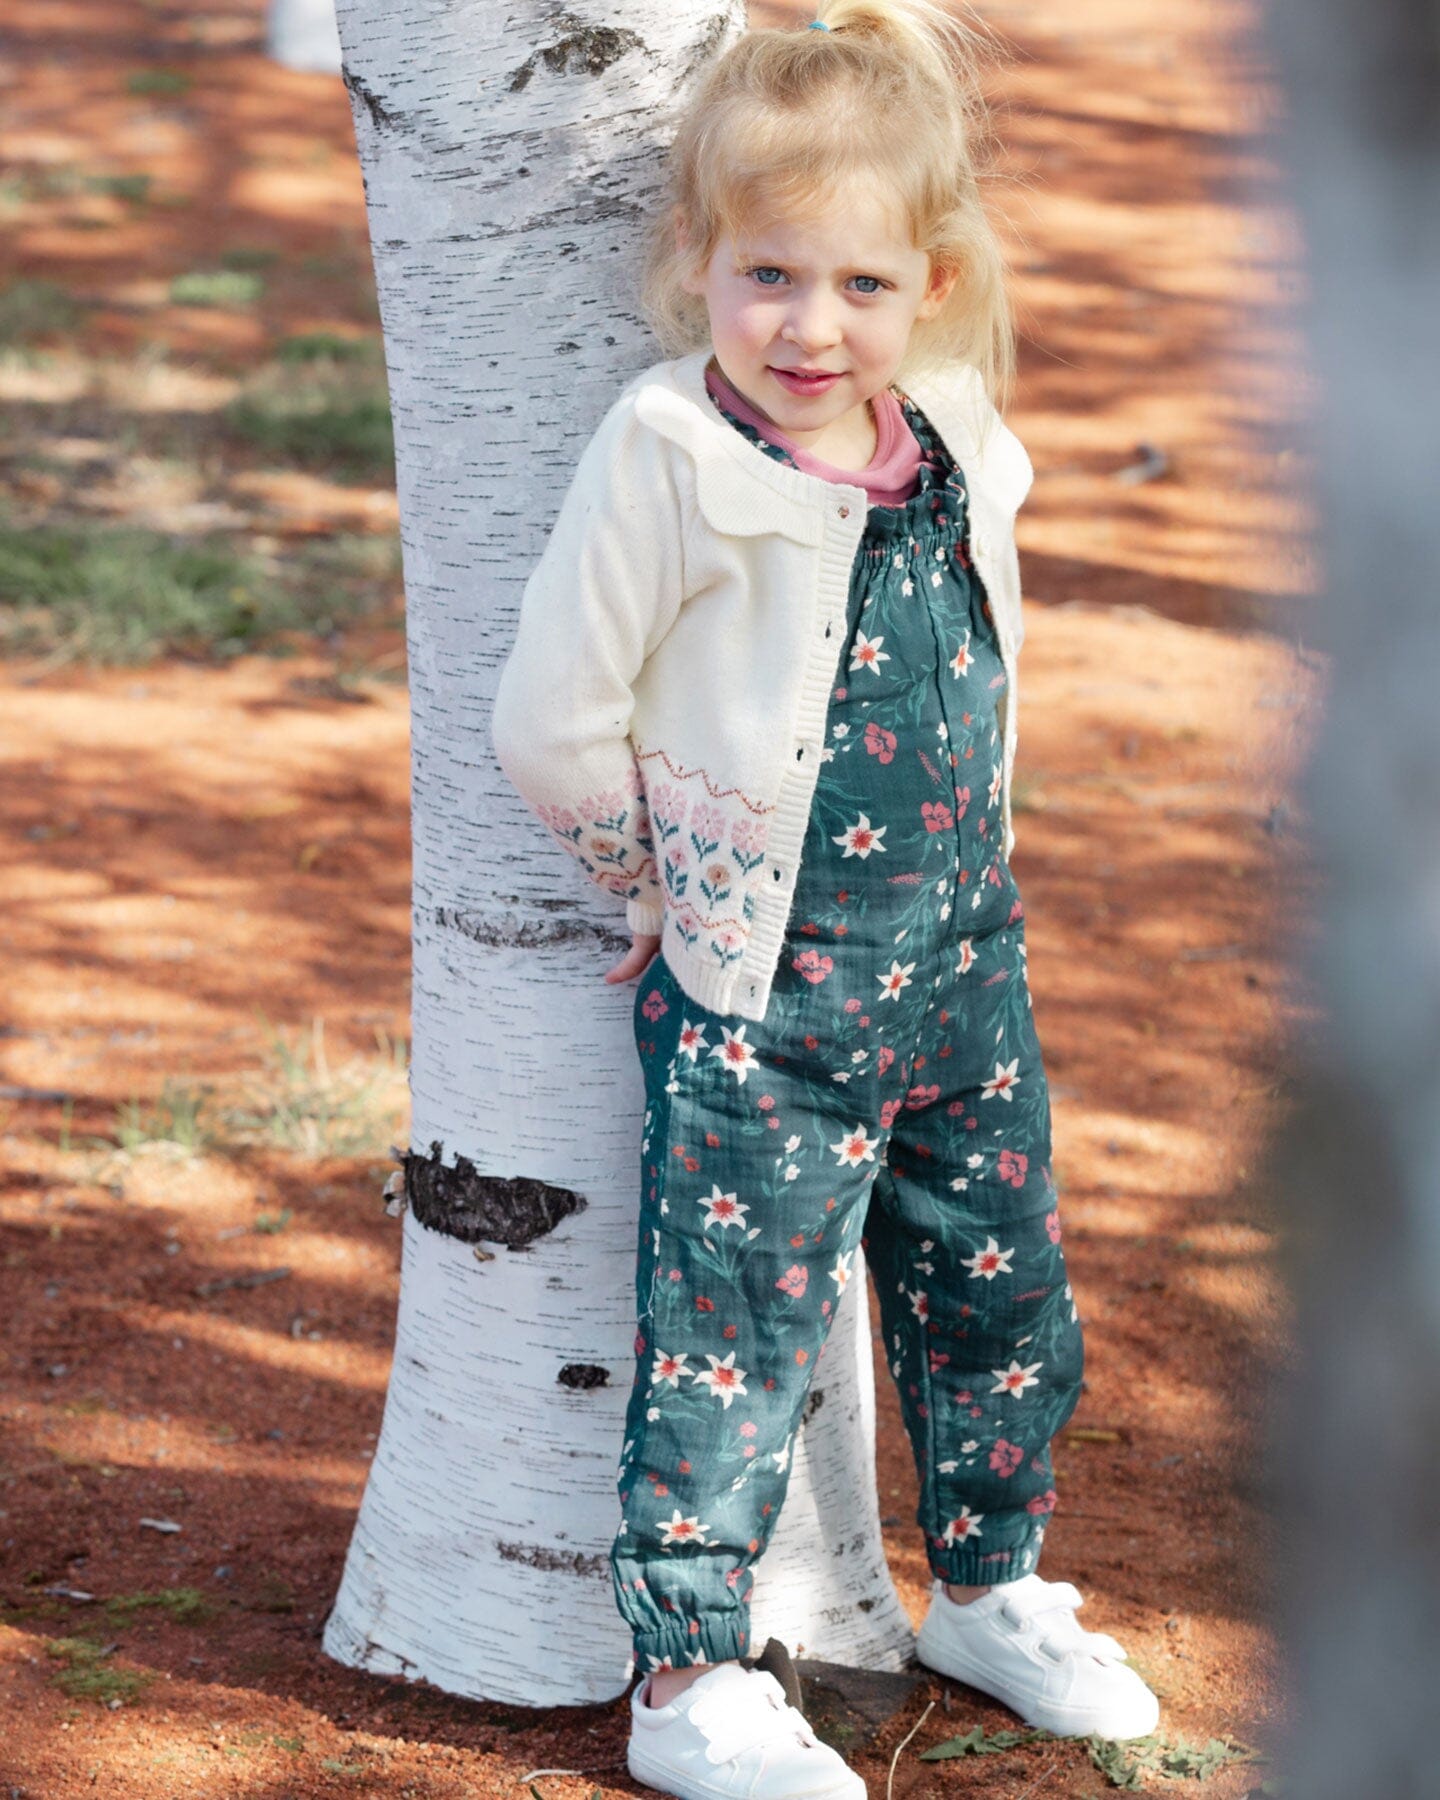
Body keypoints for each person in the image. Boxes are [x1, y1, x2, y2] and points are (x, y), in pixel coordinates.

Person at [491, 2, 1161, 1794]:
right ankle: (688, 1682)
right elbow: (553, 719)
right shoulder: (672, 455)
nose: (810, 325)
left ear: (929, 287)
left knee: (1002, 1286)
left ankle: (991, 1586)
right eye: (767, 272)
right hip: (758, 987)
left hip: (961, 965)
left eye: (860, 284)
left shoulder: (952, 436)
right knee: (736, 1328)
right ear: (694, 260)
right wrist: (649, 883)